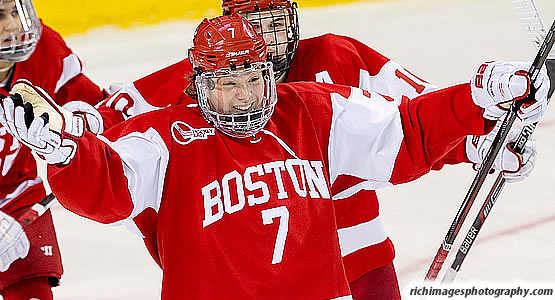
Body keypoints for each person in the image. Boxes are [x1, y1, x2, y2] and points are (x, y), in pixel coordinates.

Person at [0, 14, 549, 298]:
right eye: (224, 85)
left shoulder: (313, 109)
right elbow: (108, 188)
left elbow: (408, 130)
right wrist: (62, 149)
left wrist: (477, 102)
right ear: (197, 85)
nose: (240, 98)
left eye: (250, 81)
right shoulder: (167, 137)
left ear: (270, 76)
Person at [0, 0, 105, 298]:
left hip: (18, 196)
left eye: (16, 11)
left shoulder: (45, 49)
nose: (14, 26)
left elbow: (92, 112)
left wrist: (110, 116)